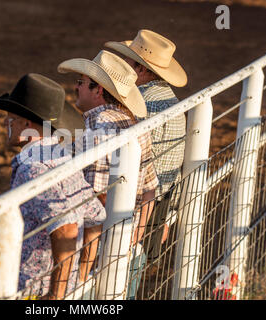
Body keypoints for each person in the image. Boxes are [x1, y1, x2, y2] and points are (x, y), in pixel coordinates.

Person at [0, 73, 106, 300]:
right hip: (68, 284)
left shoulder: (33, 169)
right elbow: (95, 215)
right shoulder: (63, 157)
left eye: (10, 118)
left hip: (32, 290)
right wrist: (81, 273)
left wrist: (55, 295)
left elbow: (66, 228)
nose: (4, 123)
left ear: (26, 123)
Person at [57, 50, 159, 292]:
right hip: (126, 240)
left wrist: (82, 266)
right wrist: (137, 233)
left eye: (81, 83)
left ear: (98, 90)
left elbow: (94, 197)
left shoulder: (94, 128)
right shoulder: (136, 124)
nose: (76, 88)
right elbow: (150, 188)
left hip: (93, 251)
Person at [105, 30, 188, 261]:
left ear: (141, 69)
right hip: (160, 201)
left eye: (128, 62)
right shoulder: (169, 99)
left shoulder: (140, 103)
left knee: (117, 266)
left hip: (137, 204)